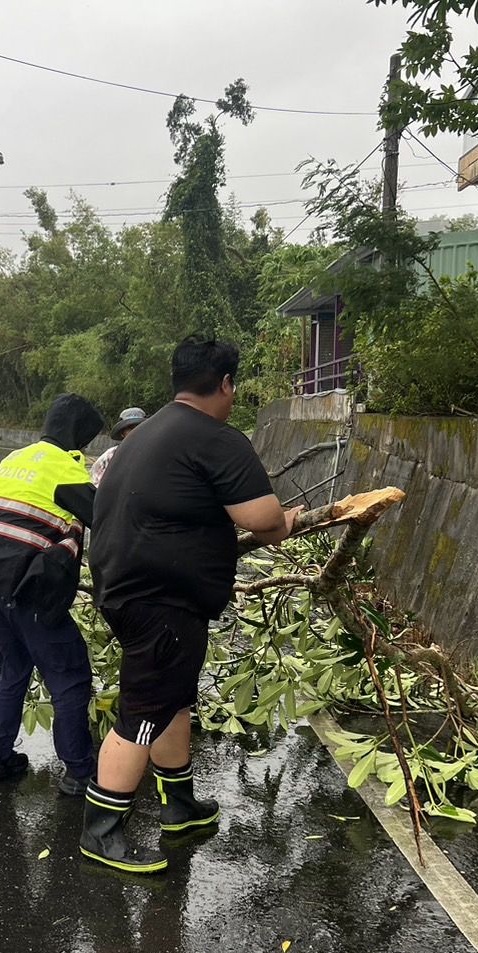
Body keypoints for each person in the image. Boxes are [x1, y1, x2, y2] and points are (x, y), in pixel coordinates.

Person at [81, 337, 302, 872]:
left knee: (174, 700)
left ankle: (179, 806)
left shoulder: (147, 433)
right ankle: (101, 831)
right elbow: (264, 520)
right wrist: (292, 519)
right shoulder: (214, 438)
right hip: (159, 599)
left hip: (130, 587)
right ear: (226, 384)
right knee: (142, 710)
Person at [0, 394, 105, 795]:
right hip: (27, 587)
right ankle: (79, 771)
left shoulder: (12, 461)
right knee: (69, 676)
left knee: (12, 669)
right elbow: (106, 519)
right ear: (79, 436)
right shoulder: (66, 469)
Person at [89, 406, 146, 486]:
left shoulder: (155, 454)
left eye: (139, 427)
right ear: (122, 433)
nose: (135, 431)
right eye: (130, 428)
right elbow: (95, 485)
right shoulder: (110, 456)